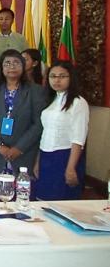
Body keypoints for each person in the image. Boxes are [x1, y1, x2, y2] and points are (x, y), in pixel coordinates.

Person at [0, 49, 45, 185]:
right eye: (7, 63)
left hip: (24, 155)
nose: (12, 66)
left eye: (16, 63)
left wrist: (19, 148)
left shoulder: (36, 91)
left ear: (23, 67)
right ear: (1, 68)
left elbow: (39, 124)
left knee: (22, 201)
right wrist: (0, 147)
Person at [35, 61, 89, 200]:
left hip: (65, 157)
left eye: (62, 76)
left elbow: (78, 138)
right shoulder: (50, 101)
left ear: (71, 78)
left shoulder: (78, 102)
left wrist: (71, 168)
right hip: (45, 156)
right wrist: (37, 161)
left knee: (61, 202)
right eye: (52, 76)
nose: (57, 80)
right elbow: (44, 134)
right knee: (42, 201)